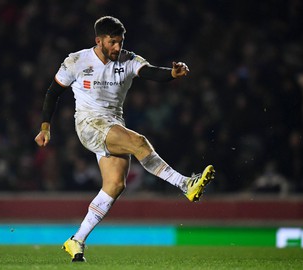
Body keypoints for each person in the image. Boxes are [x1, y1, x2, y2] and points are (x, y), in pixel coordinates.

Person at [34, 16, 215, 262]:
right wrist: (45, 128)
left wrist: (172, 74)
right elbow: (53, 93)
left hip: (112, 126)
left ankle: (76, 240)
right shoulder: (76, 61)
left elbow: (150, 72)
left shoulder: (128, 59)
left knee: (114, 186)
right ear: (98, 41)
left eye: (120, 41)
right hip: (89, 124)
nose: (117, 47)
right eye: (112, 42)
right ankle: (185, 184)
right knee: (139, 143)